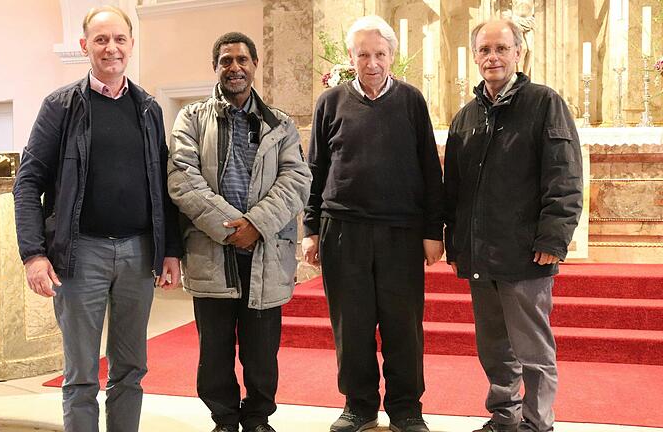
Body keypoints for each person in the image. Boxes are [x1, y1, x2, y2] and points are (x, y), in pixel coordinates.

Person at [12, 6, 182, 432]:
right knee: (82, 374)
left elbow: (163, 186)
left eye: (119, 39)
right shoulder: (60, 106)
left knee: (131, 369)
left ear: (130, 44)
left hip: (137, 251)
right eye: (101, 40)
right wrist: (33, 254)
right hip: (79, 254)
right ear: (85, 45)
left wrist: (171, 251)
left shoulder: (147, 108)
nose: (112, 48)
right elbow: (28, 182)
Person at [302, 15, 444, 432]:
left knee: (403, 325)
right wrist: (310, 229)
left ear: (392, 56)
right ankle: (358, 405)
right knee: (352, 323)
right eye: (363, 54)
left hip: (401, 231)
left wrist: (432, 231)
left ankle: (406, 408)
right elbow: (315, 169)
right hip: (343, 230)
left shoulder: (412, 101)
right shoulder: (330, 102)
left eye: (380, 54)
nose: (372, 62)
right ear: (351, 57)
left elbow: (429, 169)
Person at [167, 32, 311, 432]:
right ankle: (225, 419)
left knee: (262, 350)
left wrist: (257, 224)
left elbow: (297, 179)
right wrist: (231, 228)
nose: (235, 67)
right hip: (214, 250)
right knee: (214, 349)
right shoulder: (192, 118)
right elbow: (182, 178)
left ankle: (259, 417)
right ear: (215, 67)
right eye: (226, 60)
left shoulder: (279, 123)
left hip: (265, 253)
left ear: (254, 66)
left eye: (242, 60)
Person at [444, 19, 583, 432]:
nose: (492, 57)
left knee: (532, 350)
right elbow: (454, 190)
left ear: (518, 53)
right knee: (494, 348)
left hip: (525, 252)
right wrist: (457, 245)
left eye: (501, 49)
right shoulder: (465, 117)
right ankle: (505, 417)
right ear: (475, 56)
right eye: (485, 50)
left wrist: (554, 237)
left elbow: (565, 176)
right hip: (479, 255)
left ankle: (538, 424)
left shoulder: (544, 104)